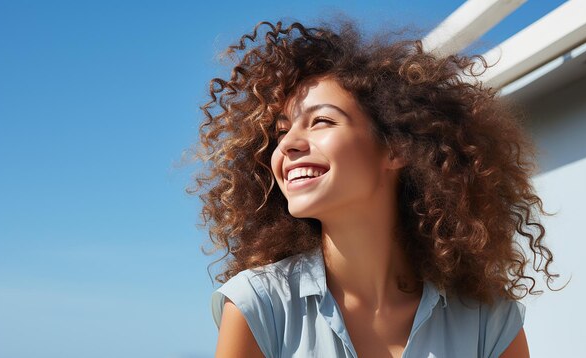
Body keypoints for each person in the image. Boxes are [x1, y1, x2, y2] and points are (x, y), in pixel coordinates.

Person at [192, 18, 558, 358]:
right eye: (282, 132)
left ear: (397, 147)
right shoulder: (259, 305)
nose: (287, 146)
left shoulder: (487, 320)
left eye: (320, 121)